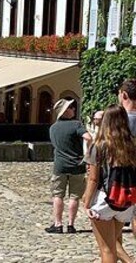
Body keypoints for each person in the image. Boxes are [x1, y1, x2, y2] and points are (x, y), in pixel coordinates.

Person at [83, 106, 136, 263]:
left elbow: (93, 179)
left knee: (107, 249)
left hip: (104, 200)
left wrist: (86, 203)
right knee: (113, 243)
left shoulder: (100, 146)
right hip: (126, 201)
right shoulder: (132, 145)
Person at [47, 98, 92, 234]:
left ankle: (58, 224)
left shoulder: (53, 128)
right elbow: (88, 137)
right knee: (74, 196)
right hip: (77, 165)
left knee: (58, 195)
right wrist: (88, 153)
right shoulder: (76, 124)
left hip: (60, 165)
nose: (73, 109)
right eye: (71, 107)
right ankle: (71, 225)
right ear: (65, 111)